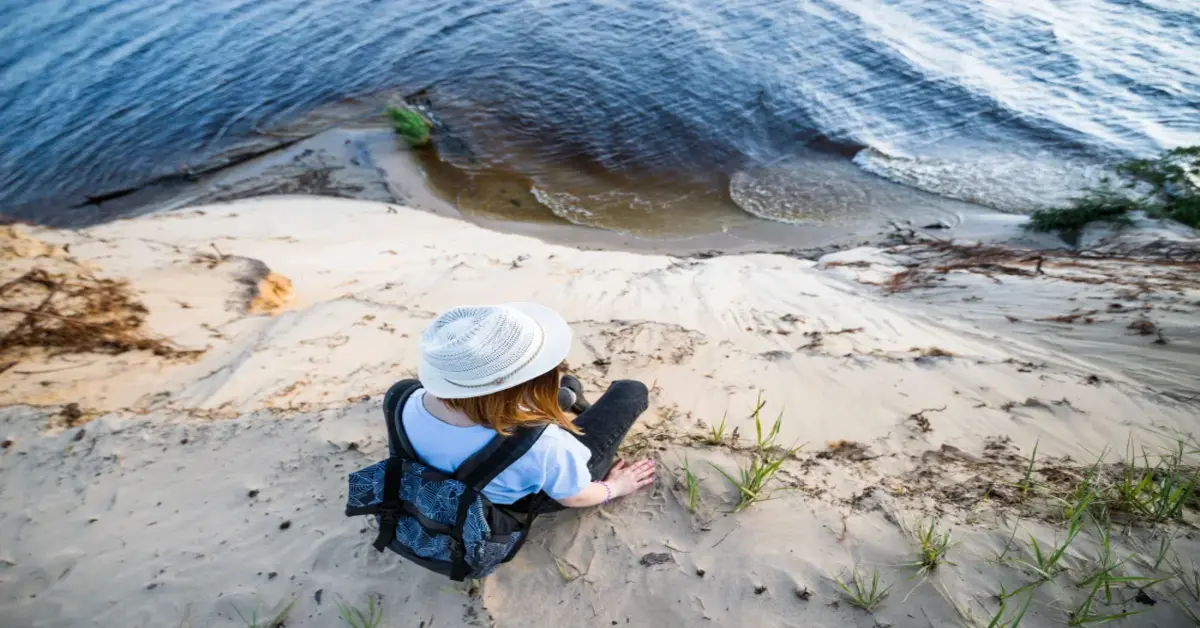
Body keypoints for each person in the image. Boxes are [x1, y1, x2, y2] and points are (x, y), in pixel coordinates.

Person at [382, 302, 655, 513]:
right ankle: (562, 400)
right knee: (630, 391)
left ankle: (561, 400)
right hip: (516, 501)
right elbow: (574, 495)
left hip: (467, 477)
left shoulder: (401, 397)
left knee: (536, 417)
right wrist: (615, 487)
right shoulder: (544, 444)